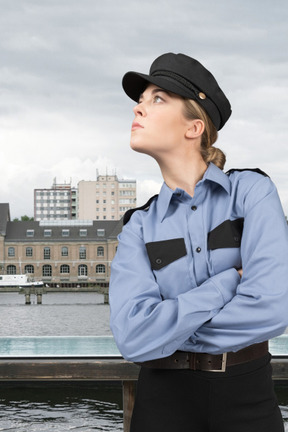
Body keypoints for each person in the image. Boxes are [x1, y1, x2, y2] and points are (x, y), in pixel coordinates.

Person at [109, 52, 288, 432]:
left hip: (248, 399)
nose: (139, 108)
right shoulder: (138, 225)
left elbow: (273, 307)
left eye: (157, 98)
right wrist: (228, 283)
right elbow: (132, 338)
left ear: (194, 128)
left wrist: (166, 330)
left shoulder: (252, 193)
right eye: (140, 100)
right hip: (162, 405)